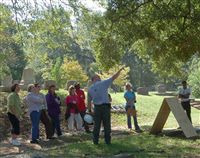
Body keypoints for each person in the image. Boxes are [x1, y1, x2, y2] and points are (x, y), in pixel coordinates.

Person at [87, 67, 124, 145]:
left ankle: (95, 141)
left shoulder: (89, 89)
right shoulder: (103, 83)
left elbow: (89, 101)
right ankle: (107, 141)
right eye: (98, 77)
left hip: (96, 108)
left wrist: (90, 111)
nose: (100, 77)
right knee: (107, 125)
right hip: (105, 107)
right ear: (94, 79)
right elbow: (113, 77)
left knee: (96, 125)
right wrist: (119, 70)